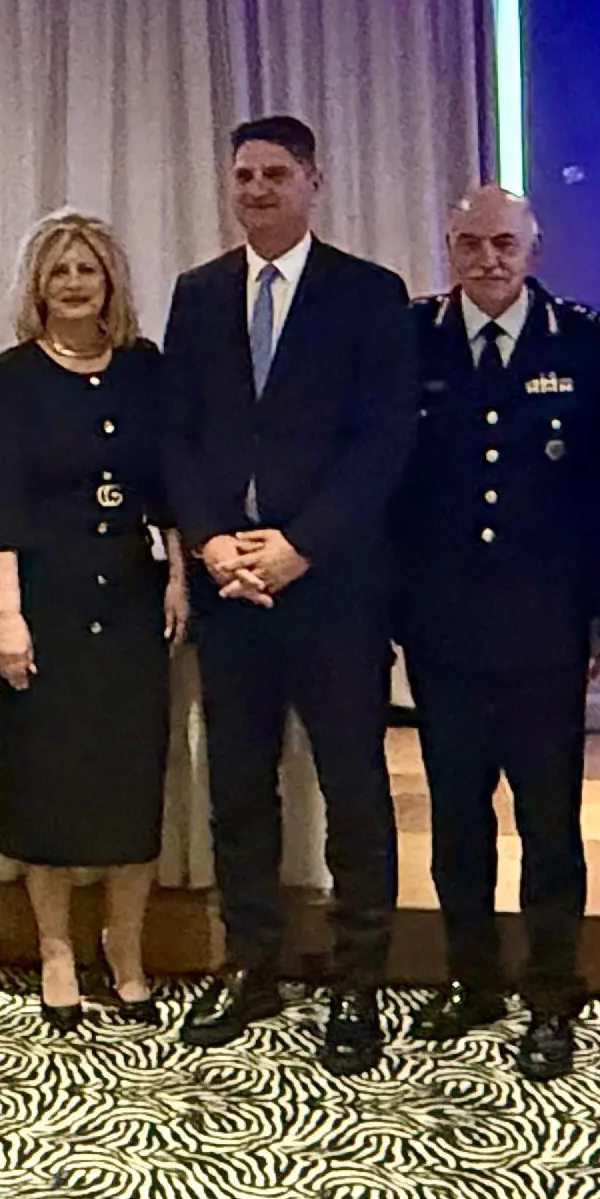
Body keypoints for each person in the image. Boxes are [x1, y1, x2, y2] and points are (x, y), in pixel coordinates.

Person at [159, 114, 416, 1074]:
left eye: (276, 173)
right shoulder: (198, 294)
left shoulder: (369, 293)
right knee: (238, 787)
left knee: (352, 786)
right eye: (244, 175)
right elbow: (175, 435)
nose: (258, 189)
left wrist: (299, 547)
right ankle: (251, 963)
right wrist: (212, 542)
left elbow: (385, 442)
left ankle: (358, 979)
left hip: (332, 586)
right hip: (231, 587)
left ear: (314, 181)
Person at [392, 184, 600, 1080]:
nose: (487, 259)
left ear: (533, 249)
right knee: (457, 815)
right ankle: (472, 976)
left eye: (503, 244)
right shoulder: (409, 339)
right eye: (470, 244)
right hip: (442, 621)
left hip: (545, 628)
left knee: (548, 820)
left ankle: (553, 992)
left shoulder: (587, 344)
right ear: (448, 247)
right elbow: (390, 486)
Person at [0, 209, 185, 1033]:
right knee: (48, 783)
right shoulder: (12, 376)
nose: (73, 284)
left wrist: (180, 577)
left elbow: (168, 484)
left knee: (132, 782)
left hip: (132, 601)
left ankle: (125, 948)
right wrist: (7, 614)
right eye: (58, 271)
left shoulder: (145, 369)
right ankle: (57, 949)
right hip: (46, 606)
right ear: (38, 285)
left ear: (109, 282)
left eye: (86, 269)